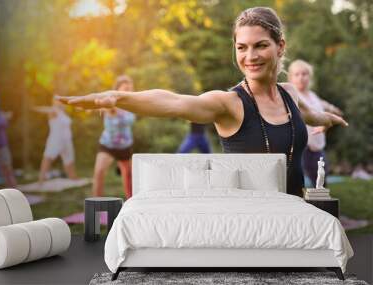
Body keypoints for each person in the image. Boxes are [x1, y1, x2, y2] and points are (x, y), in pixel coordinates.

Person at [58, 7, 348, 197]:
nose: (250, 56)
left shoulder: (289, 93)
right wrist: (118, 98)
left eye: (261, 45)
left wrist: (330, 119)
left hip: (295, 213)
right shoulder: (229, 103)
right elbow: (173, 103)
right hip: (249, 219)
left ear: (279, 45)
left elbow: (309, 114)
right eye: (242, 47)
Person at [288, 59, 343, 188]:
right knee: (297, 184)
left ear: (310, 77)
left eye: (304, 74)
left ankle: (322, 207)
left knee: (321, 183)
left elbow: (325, 105)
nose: (301, 77)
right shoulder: (292, 95)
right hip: (301, 148)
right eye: (297, 74)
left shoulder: (312, 95)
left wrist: (333, 109)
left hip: (317, 148)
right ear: (291, 78)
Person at [92, 75, 136, 198]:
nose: (128, 91)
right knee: (99, 172)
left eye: (130, 89)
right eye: (125, 88)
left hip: (125, 146)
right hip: (108, 144)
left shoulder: (132, 105)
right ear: (117, 89)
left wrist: (116, 112)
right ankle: (96, 205)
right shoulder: (109, 103)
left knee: (128, 176)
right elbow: (100, 105)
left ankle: (130, 203)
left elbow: (130, 121)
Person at [33, 96, 78, 183]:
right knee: (48, 158)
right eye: (57, 100)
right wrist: (34, 108)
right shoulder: (53, 111)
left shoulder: (63, 112)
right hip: (55, 140)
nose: (59, 102)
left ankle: (73, 177)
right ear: (53, 101)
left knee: (69, 159)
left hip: (67, 141)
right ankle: (41, 179)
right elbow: (46, 109)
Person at [0, 91, 17, 187]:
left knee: (8, 170)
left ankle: (14, 192)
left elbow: (4, 124)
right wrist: (4, 118)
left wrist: (4, 118)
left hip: (2, 146)